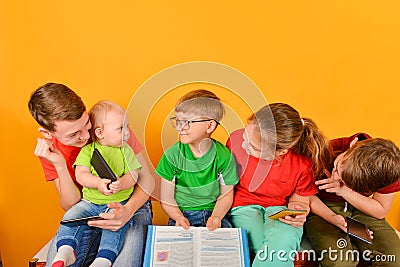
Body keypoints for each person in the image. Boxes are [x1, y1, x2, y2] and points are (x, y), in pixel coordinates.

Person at [28, 83, 154, 267]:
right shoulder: (50, 151)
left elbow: (147, 180)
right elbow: (70, 204)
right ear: (47, 133)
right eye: (74, 134)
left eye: (86, 125)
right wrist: (60, 165)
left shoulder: (111, 126)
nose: (86, 136)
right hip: (89, 206)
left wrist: (128, 211)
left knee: (123, 262)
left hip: (129, 202)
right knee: (60, 258)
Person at [226, 103, 331, 267]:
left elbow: (301, 199)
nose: (244, 143)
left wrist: (298, 211)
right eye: (246, 135)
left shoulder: (302, 163)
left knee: (285, 239)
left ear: (280, 152)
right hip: (244, 206)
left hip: (280, 209)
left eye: (253, 147)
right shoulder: (235, 140)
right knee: (267, 249)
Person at [51, 100, 141, 267]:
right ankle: (65, 248)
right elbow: (81, 174)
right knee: (70, 217)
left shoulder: (125, 150)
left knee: (113, 228)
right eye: (121, 129)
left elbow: (134, 174)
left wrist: (123, 183)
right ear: (100, 132)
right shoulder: (88, 150)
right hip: (89, 202)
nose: (127, 132)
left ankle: (104, 259)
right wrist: (98, 182)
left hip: (117, 203)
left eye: (127, 127)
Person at [306, 133, 400, 267]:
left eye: (347, 182)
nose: (336, 178)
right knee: (339, 261)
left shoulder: (387, 170)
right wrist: (333, 217)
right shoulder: (325, 150)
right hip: (322, 207)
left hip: (362, 208)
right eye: (337, 169)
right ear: (350, 149)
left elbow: (380, 210)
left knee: (394, 258)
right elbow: (303, 195)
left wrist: (344, 191)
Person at [156, 90, 238, 231]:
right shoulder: (172, 156)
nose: (180, 127)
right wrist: (178, 217)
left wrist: (217, 217)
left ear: (210, 126)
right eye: (178, 121)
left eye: (187, 122)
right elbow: (167, 198)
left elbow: (226, 195)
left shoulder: (224, 156)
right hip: (183, 215)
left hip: (216, 213)